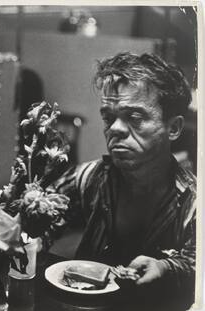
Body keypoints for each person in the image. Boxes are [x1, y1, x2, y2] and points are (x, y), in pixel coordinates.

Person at [55, 52, 195, 298]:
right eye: (109, 117)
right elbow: (34, 223)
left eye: (134, 117)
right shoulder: (90, 177)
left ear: (173, 128)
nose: (115, 129)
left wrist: (166, 267)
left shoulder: (193, 203)